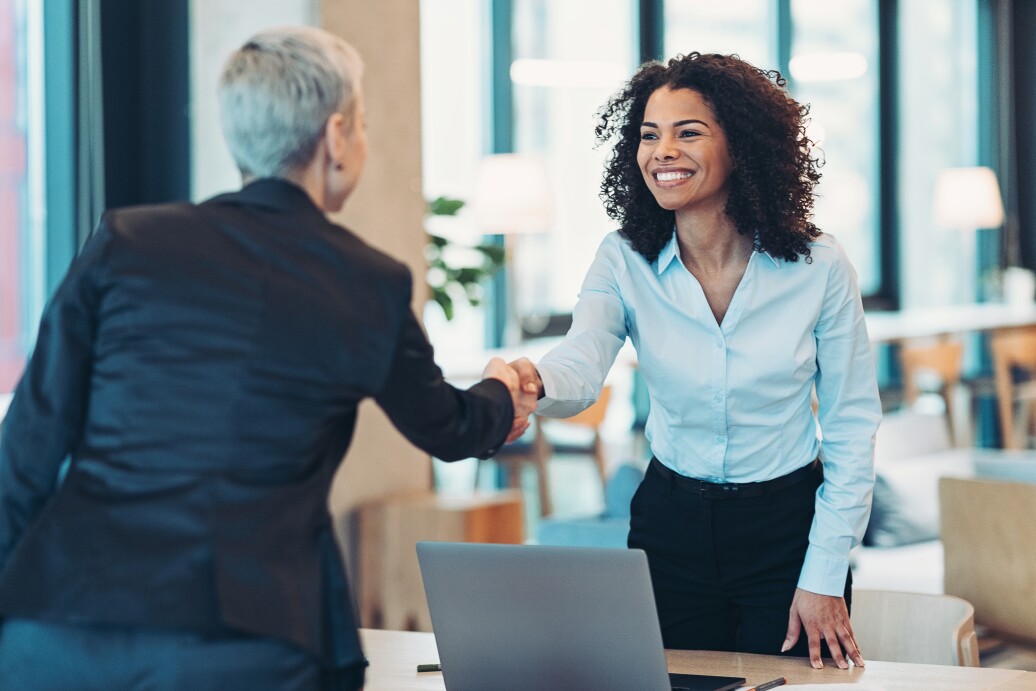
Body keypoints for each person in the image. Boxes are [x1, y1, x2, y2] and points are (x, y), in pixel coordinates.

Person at [0, 26, 535, 690]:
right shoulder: (367, 281)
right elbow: (449, 427)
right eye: (364, 123)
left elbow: (24, 449)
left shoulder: (124, 242)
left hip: (58, 631)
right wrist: (500, 392)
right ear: (336, 138)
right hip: (246, 643)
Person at [509, 52, 881, 670]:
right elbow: (582, 358)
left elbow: (851, 426)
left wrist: (824, 572)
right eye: (649, 135)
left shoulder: (819, 267)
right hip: (670, 525)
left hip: (786, 529)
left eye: (689, 132)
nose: (663, 151)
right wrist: (532, 381)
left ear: (743, 146)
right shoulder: (623, 258)